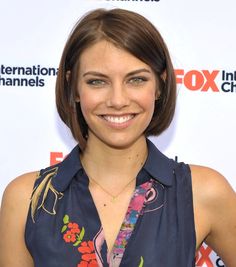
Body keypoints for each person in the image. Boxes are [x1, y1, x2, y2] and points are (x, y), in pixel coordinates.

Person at [0, 8, 235, 267]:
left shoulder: (202, 192)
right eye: (97, 82)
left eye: (136, 79)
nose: (118, 100)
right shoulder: (27, 199)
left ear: (160, 84)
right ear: (73, 87)